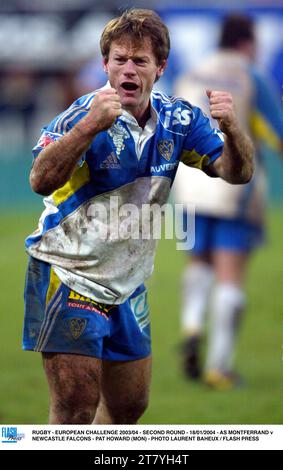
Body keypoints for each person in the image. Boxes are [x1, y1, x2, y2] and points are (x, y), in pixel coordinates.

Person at [23, 8, 254, 424]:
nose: (128, 69)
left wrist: (233, 129)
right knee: (75, 411)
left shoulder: (179, 120)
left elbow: (237, 173)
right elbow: (39, 179)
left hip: (128, 284)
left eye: (140, 61)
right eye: (119, 59)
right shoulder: (82, 115)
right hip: (69, 274)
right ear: (105, 65)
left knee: (129, 409)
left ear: (160, 68)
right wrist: (87, 129)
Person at [173, 13, 283, 390]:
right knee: (230, 275)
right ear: (248, 43)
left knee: (197, 262)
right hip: (233, 187)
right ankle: (219, 366)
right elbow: (278, 134)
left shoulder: (191, 72)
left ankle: (191, 325)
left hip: (187, 186)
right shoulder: (250, 76)